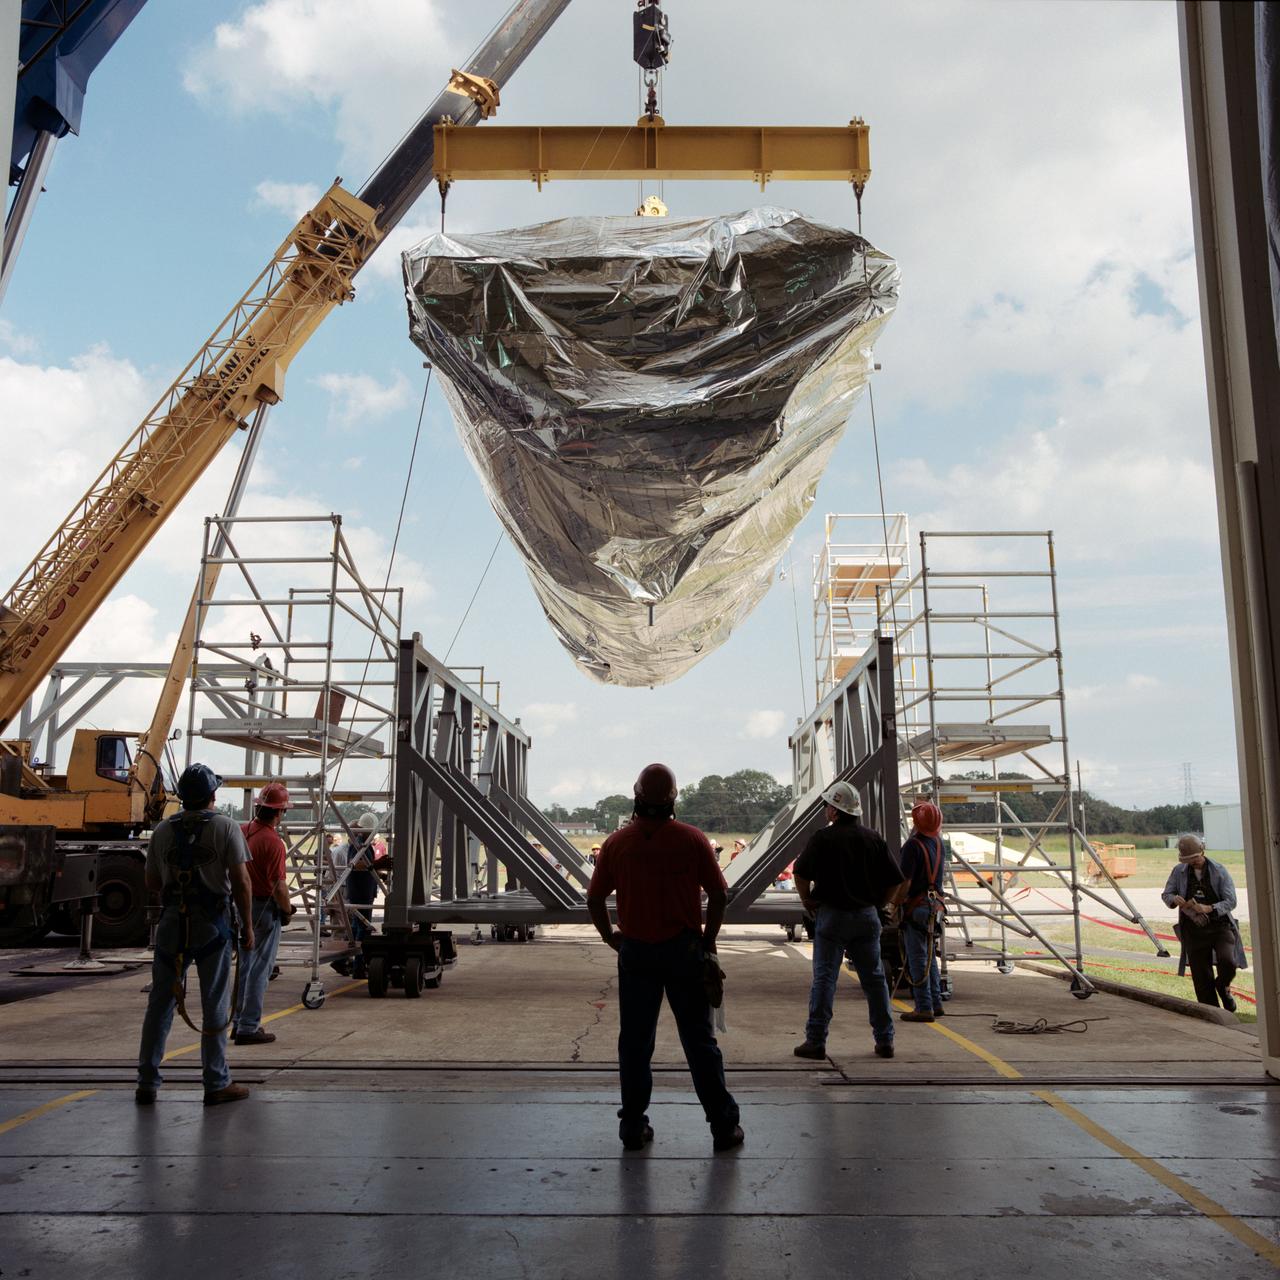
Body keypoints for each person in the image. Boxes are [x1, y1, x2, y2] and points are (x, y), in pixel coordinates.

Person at [587, 763, 743, 1153]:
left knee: (636, 1043)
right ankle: (723, 1127)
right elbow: (720, 896)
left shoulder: (617, 843)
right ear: (673, 799)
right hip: (684, 952)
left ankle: (633, 1128)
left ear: (636, 797)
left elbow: (594, 898)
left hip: (637, 952)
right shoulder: (692, 840)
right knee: (699, 1042)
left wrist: (611, 937)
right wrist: (708, 941)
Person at [135, 763, 254, 1107]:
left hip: (172, 923)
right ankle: (216, 1082)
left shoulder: (162, 831)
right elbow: (242, 883)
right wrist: (247, 927)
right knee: (214, 1004)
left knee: (160, 1004)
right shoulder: (226, 828)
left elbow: (152, 884)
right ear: (213, 795)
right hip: (211, 925)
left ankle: (147, 1081)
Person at [792, 781, 905, 1061]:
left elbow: (801, 873)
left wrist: (807, 900)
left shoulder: (822, 838)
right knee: (875, 980)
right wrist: (880, 904)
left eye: (828, 805)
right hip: (866, 917)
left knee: (824, 980)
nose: (826, 810)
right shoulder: (873, 838)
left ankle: (816, 1041)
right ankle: (885, 1040)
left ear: (835, 810)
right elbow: (895, 881)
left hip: (832, 918)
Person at [233, 781, 296, 1046]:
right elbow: (278, 886)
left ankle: (238, 1022)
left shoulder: (242, 831)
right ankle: (249, 1026)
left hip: (241, 905)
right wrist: (287, 910)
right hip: (263, 909)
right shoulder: (273, 843)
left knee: (245, 966)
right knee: (261, 969)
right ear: (280, 812)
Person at [1162, 834, 1247, 1011]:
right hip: (1193, 930)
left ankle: (1223, 986)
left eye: (1195, 858)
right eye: (1188, 860)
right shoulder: (1179, 871)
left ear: (1203, 851)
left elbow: (1231, 901)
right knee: (1201, 976)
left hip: (1220, 926)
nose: (1193, 863)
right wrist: (1173, 899)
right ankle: (1212, 1013)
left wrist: (1209, 908)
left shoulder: (1219, 871)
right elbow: (1166, 894)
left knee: (1228, 962)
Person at [896, 800, 946, 1023]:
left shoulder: (912, 846)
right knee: (928, 956)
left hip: (917, 906)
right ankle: (935, 1003)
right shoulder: (939, 842)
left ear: (916, 822)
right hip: (935, 906)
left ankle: (924, 1007)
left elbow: (905, 882)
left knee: (917, 957)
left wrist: (894, 903)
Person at [332, 812, 380, 979]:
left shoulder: (361, 842)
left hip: (362, 889)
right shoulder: (359, 843)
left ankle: (343, 958)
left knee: (355, 927)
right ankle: (358, 965)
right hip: (361, 891)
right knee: (362, 928)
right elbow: (356, 864)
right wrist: (375, 865)